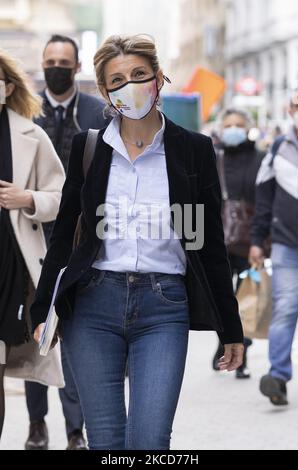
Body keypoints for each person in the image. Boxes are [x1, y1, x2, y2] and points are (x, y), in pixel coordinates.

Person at [30, 34, 244, 451]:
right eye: (117, 80)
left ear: (159, 79)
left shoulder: (193, 151)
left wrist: (230, 328)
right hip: (92, 305)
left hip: (163, 307)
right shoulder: (90, 148)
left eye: (139, 75)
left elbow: (208, 245)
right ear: (106, 92)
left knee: (150, 440)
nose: (129, 85)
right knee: (106, 442)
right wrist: (43, 307)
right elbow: (64, 235)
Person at [25, 34, 108, 451]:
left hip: (79, 240)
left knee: (72, 335)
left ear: (77, 68)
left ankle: (75, 429)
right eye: (50, 60)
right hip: (33, 237)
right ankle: (37, 424)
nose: (56, 67)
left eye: (64, 61)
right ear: (42, 66)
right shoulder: (27, 111)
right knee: (36, 334)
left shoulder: (96, 112)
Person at [0, 49, 65, 440]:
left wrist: (28, 199)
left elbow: (60, 196)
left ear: (7, 88)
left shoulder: (31, 135)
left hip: (11, 269)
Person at [250, 88, 298, 406]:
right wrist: (257, 241)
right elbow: (264, 197)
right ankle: (278, 377)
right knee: (284, 309)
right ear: (290, 108)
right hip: (286, 245)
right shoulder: (279, 148)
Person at [212, 109, 265, 379]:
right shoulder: (213, 156)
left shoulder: (259, 158)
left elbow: (266, 201)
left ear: (248, 128)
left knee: (247, 300)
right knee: (223, 298)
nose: (233, 128)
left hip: (250, 241)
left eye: (238, 125)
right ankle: (225, 343)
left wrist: (264, 240)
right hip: (217, 241)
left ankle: (240, 358)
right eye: (228, 124)